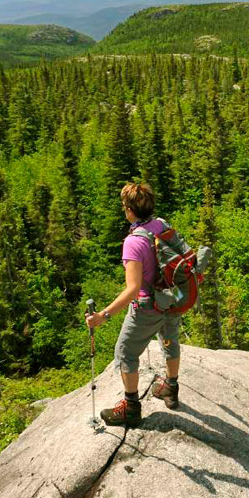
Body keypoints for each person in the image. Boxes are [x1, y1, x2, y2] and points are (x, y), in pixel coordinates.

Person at [85, 182, 180, 427]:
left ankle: (131, 407)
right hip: (171, 297)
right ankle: (170, 387)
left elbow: (132, 289)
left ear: (129, 210)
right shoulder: (162, 224)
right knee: (169, 340)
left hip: (148, 307)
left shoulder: (133, 242)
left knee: (126, 353)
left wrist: (103, 316)